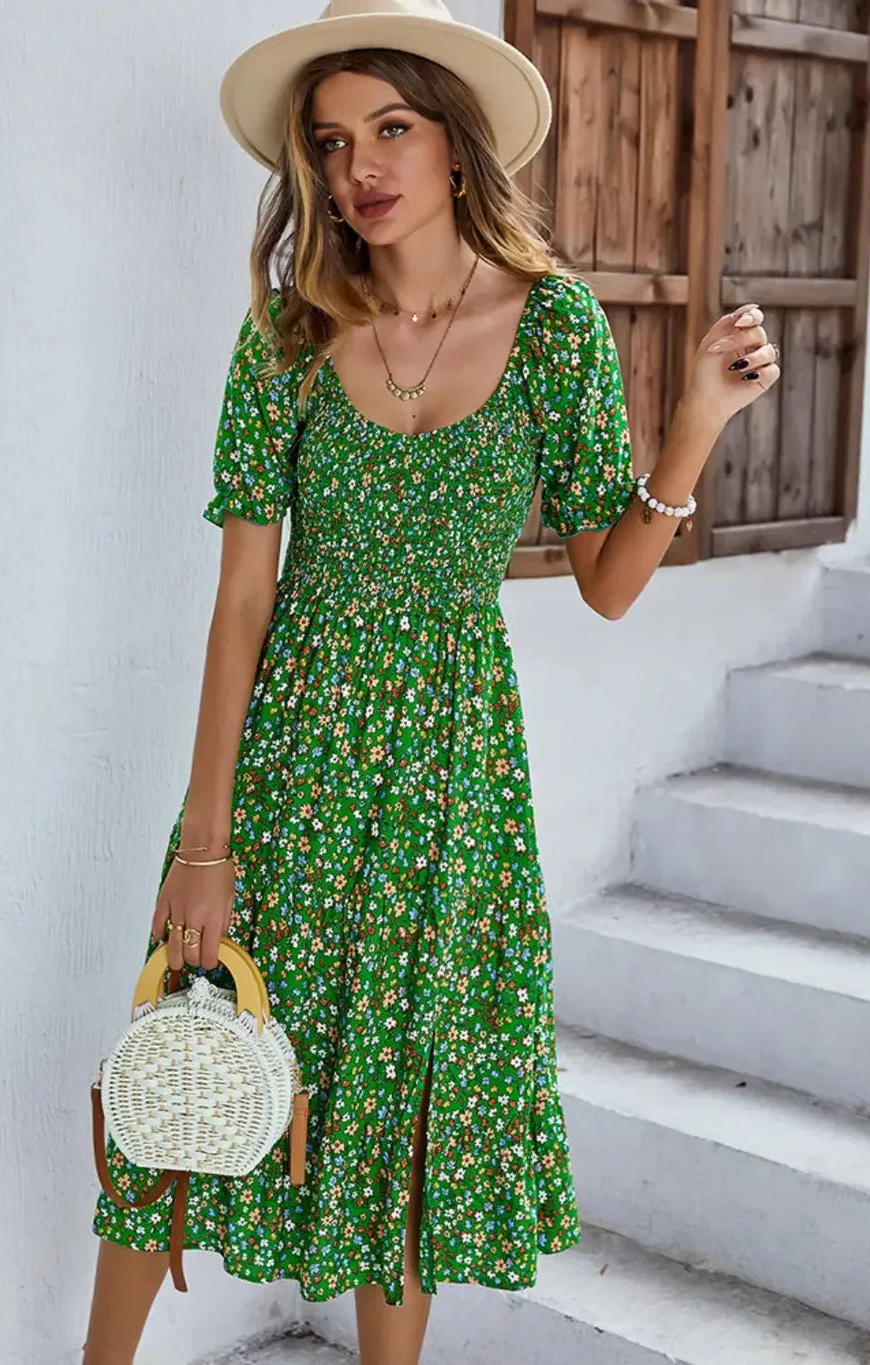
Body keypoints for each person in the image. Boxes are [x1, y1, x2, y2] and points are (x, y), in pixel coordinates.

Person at [82, 2, 781, 1362]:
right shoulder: (288, 336)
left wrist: (695, 422)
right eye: (332, 141)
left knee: (404, 1113)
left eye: (391, 128)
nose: (360, 167)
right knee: (184, 1077)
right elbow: (242, 602)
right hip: (289, 764)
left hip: (452, 779)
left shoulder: (556, 327)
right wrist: (205, 841)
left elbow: (608, 578)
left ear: (456, 144)